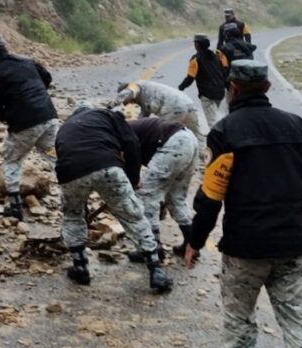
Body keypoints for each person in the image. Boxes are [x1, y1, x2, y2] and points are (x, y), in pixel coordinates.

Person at [184, 59, 302, 348]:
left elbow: (211, 197)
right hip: (293, 245)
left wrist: (195, 241)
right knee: (299, 325)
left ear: (232, 88)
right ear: (268, 87)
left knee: (239, 325)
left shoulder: (224, 132)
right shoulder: (297, 126)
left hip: (244, 249)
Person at [54, 103, 174, 293]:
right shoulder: (106, 115)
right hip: (107, 166)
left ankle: (80, 266)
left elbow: (63, 155)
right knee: (133, 216)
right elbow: (132, 142)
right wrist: (133, 178)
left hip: (70, 172)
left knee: (73, 216)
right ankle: (156, 270)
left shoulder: (64, 128)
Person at [0, 36, 59, 221]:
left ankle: (15, 206)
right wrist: (38, 98)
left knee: (12, 160)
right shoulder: (26, 61)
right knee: (55, 156)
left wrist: (10, 117)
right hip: (49, 118)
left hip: (24, 126)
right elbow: (47, 78)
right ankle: (75, 198)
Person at [126, 116, 199, 262]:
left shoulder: (118, 135)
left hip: (172, 144)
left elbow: (130, 163)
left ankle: (153, 249)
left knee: (146, 195)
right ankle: (191, 244)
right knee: (176, 197)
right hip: (189, 140)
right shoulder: (126, 128)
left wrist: (133, 181)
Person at [115, 80, 203, 144]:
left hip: (173, 108)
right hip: (188, 103)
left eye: (129, 101)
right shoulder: (145, 92)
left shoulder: (135, 86)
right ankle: (204, 157)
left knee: (164, 134)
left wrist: (113, 104)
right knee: (196, 134)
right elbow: (143, 117)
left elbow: (129, 93)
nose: (131, 103)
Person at [178, 34, 230, 132]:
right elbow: (226, 69)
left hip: (207, 95)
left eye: (195, 43)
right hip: (220, 92)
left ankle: (217, 138)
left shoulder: (195, 59)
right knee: (215, 115)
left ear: (197, 45)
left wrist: (180, 87)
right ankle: (222, 133)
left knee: (212, 122)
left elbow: (190, 77)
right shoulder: (218, 54)